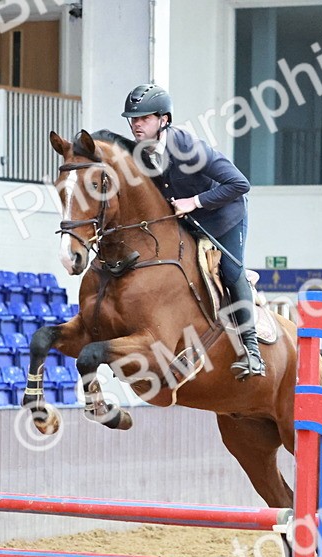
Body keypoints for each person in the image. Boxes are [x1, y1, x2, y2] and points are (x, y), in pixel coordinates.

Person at [121, 83, 263, 380]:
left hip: (224, 215)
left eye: (144, 118)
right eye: (133, 119)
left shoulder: (188, 147)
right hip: (186, 220)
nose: (136, 124)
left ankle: (252, 352)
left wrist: (195, 201)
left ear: (164, 120)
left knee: (229, 270)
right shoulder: (140, 154)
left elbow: (240, 184)